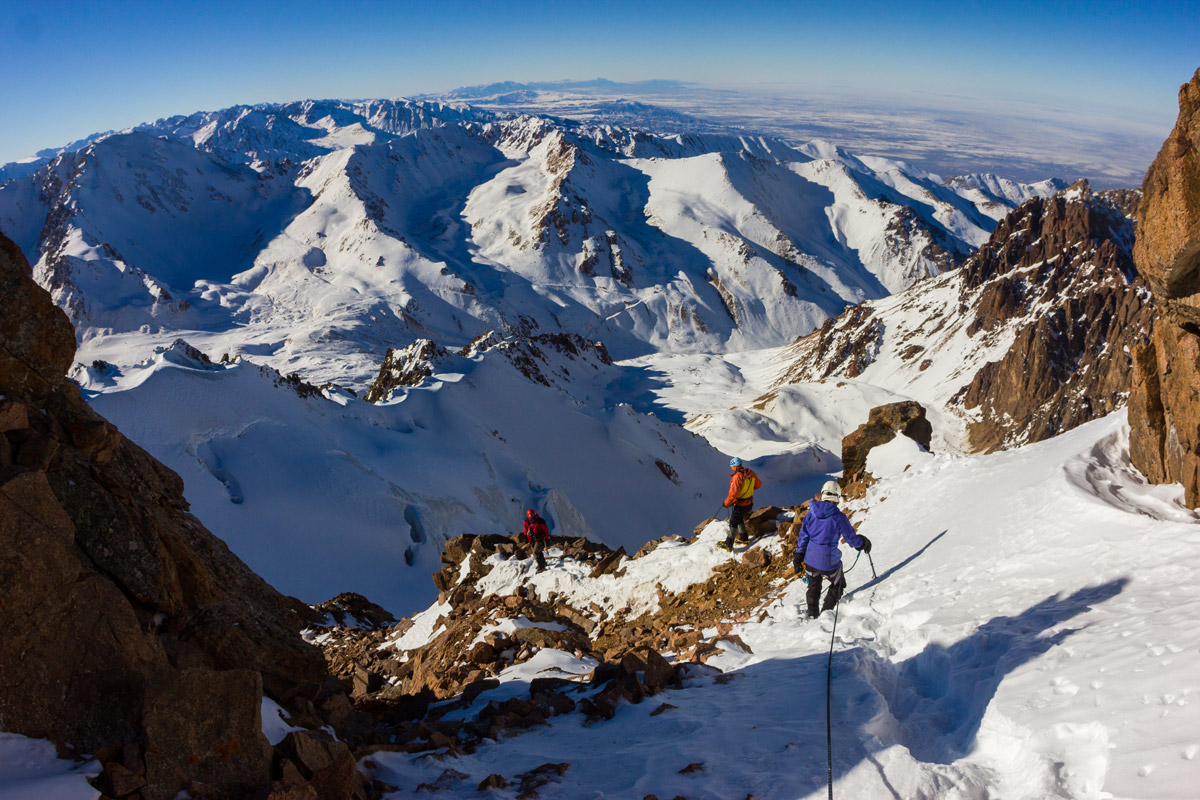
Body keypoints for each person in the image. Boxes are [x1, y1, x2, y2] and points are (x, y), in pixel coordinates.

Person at [793, 480, 872, 618]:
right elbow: (851, 538)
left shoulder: (810, 514)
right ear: (837, 497)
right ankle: (826, 614)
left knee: (813, 588)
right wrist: (862, 543)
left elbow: (803, 537)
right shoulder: (839, 517)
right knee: (838, 584)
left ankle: (812, 615)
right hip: (829, 562)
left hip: (810, 560)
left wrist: (798, 556)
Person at [718, 457, 762, 551]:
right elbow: (758, 485)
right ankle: (743, 538)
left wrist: (726, 503)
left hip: (740, 504)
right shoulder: (751, 474)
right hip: (749, 503)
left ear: (734, 466)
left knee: (733, 522)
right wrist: (748, 490)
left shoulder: (737, 477)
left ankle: (729, 543)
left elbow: (733, 493)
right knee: (739, 518)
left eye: (732, 467)